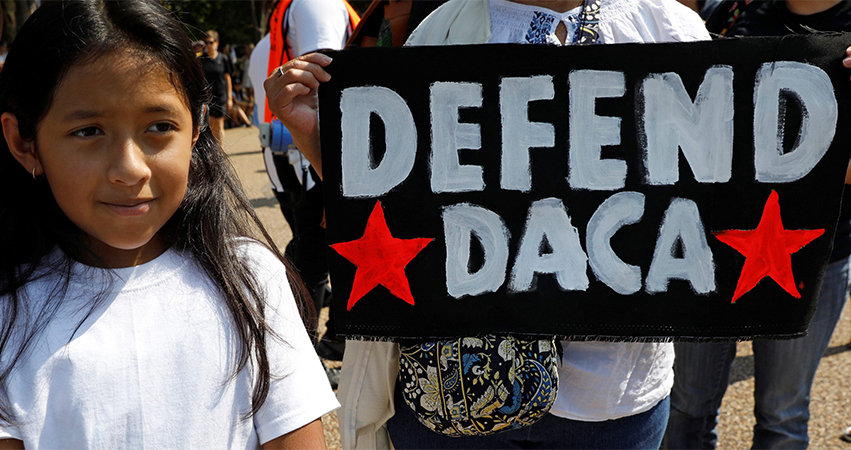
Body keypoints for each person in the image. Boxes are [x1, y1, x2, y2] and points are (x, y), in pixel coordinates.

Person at [264, 0, 711, 448]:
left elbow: (715, 198)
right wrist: (321, 144)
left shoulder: (669, 28)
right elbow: (395, 206)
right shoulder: (438, 33)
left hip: (615, 401)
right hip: (456, 393)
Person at [0, 1, 337, 448]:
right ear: (24, 143)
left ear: (196, 131)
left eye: (159, 126)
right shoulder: (10, 312)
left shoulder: (253, 280)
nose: (130, 168)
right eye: (88, 132)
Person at [661, 2, 851, 449]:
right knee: (686, 404)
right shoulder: (727, 11)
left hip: (816, 258)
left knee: (782, 415)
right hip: (706, 252)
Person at [248, 0, 358, 371]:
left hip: (285, 153)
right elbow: (327, 73)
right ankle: (307, 358)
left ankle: (317, 346)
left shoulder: (286, 16)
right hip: (314, 155)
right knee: (317, 258)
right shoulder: (318, 4)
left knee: (309, 255)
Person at [201, 29, 234, 144]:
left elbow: (228, 78)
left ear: (217, 43)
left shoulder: (223, 59)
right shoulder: (202, 60)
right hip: (207, 96)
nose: (208, 45)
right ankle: (213, 150)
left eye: (211, 42)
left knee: (219, 125)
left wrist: (229, 97)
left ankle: (220, 151)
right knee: (210, 126)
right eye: (206, 43)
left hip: (221, 95)